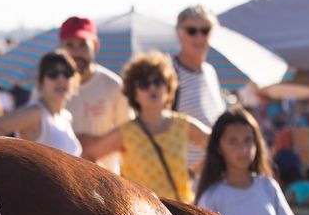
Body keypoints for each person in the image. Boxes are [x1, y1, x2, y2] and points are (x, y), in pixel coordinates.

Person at [80, 53, 212, 203]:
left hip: (180, 210)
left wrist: (194, 173)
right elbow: (88, 155)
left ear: (168, 87)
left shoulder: (182, 124)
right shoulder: (126, 132)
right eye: (144, 84)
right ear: (134, 93)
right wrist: (114, 185)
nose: (152, 87)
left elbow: (216, 143)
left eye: (158, 81)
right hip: (142, 211)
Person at [194, 109, 294, 215]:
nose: (243, 148)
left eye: (248, 140)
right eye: (233, 142)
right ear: (218, 147)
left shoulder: (268, 186)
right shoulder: (211, 198)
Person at [59, 17, 129, 174]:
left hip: (106, 181)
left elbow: (129, 135)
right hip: (59, 179)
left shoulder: (114, 85)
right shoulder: (48, 87)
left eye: (83, 45)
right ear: (60, 47)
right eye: (70, 45)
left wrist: (92, 147)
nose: (76, 52)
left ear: (96, 46)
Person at [0, 52, 83, 155]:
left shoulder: (66, 116)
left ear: (75, 80)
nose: (61, 79)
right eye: (52, 73)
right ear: (41, 82)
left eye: (67, 73)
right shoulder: (36, 113)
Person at [171, 6, 229, 170]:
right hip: (182, 175)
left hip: (212, 173)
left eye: (205, 30)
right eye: (192, 31)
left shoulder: (210, 71)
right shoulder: (168, 72)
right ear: (178, 33)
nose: (199, 37)